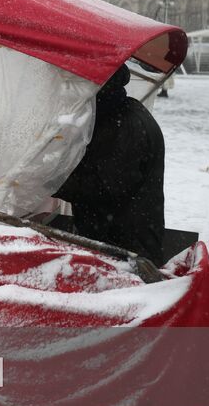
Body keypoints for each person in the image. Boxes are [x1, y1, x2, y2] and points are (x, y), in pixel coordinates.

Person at [53, 64, 168, 266]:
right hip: (112, 243)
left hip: (126, 253)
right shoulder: (112, 114)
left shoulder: (126, 124)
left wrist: (52, 181)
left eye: (76, 87)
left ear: (97, 87)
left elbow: (104, 188)